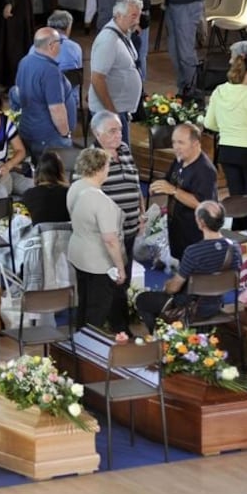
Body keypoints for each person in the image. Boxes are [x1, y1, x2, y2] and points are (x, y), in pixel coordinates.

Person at [135, 201, 242, 334]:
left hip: (191, 309)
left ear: (201, 222)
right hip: (216, 304)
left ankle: (161, 338)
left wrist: (167, 286)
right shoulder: (235, 248)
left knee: (142, 300)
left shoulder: (194, 251)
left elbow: (174, 287)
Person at [204, 53, 247, 228]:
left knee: (237, 197)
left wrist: (227, 128)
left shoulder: (219, 91)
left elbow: (209, 123)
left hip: (227, 151)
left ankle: (240, 234)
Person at [67, 147, 129, 333]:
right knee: (97, 310)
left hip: (78, 254)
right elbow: (110, 239)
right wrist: (120, 267)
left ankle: (78, 345)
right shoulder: (101, 201)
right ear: (101, 168)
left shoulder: (75, 187)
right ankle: (89, 350)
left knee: (84, 304)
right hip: (98, 262)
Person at [86, 112, 143, 279]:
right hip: (109, 235)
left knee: (127, 277)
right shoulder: (91, 158)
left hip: (131, 228)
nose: (119, 134)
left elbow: (136, 184)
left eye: (119, 130)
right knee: (111, 280)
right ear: (97, 133)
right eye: (112, 131)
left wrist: (142, 213)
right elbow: (86, 199)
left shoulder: (124, 149)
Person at [149, 123, 218, 260]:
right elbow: (169, 181)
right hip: (177, 230)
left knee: (192, 275)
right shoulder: (179, 160)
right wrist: (158, 186)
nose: (176, 147)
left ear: (196, 143)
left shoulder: (205, 171)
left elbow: (202, 204)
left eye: (181, 142)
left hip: (194, 235)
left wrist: (173, 191)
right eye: (174, 142)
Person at [89, 0, 144, 144]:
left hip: (118, 111)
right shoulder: (108, 40)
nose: (137, 21)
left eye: (138, 16)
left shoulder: (123, 33)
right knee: (117, 157)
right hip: (110, 113)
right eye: (133, 16)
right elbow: (97, 78)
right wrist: (111, 112)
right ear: (119, 15)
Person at [15, 27, 74, 158]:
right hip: (48, 138)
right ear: (51, 45)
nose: (61, 45)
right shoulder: (50, 71)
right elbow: (56, 109)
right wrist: (65, 134)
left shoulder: (25, 61)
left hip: (28, 130)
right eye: (60, 42)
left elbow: (18, 92)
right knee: (55, 176)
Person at [23, 151, 70, 225]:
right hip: (66, 234)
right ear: (60, 171)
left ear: (38, 171)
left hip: (39, 235)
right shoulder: (69, 193)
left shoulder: (28, 195)